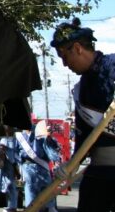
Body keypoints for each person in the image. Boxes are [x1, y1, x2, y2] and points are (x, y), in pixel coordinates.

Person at [51, 18, 115, 211]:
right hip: (100, 172)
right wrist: (71, 165)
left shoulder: (112, 66)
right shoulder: (81, 90)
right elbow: (83, 137)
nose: (64, 64)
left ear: (78, 48)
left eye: (64, 56)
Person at [15, 121, 61, 212]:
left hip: (43, 166)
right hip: (27, 167)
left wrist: (49, 138)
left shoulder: (39, 129)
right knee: (31, 195)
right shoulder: (18, 135)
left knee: (48, 194)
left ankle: (50, 207)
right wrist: (17, 168)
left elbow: (53, 149)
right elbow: (15, 152)